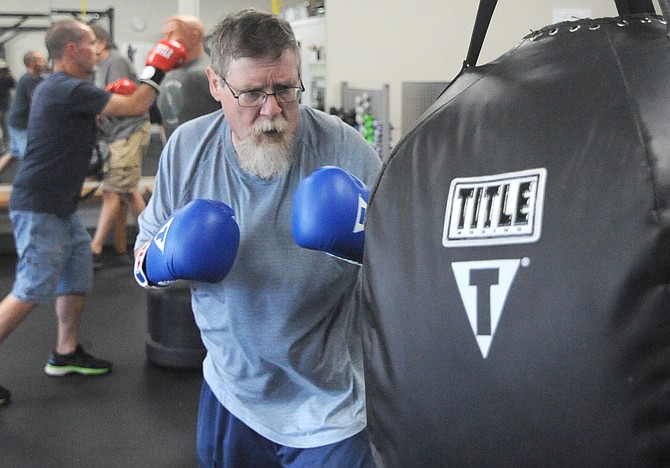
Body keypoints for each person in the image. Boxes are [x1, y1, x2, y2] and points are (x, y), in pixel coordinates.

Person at [133, 8, 382, 467]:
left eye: (286, 89)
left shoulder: (346, 151)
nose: (272, 111)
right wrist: (167, 259)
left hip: (330, 407)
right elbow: (143, 259)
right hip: (232, 393)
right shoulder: (187, 149)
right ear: (215, 85)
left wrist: (372, 245)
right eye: (250, 93)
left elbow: (407, 270)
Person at [0, 19, 185, 406]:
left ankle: (65, 353)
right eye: (89, 43)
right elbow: (138, 105)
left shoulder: (68, 90)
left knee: (77, 270)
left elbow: (105, 115)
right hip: (40, 206)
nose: (98, 49)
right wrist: (156, 68)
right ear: (70, 50)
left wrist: (108, 97)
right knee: (32, 287)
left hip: (58, 206)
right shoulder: (65, 87)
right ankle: (63, 352)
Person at [89, 24, 151, 268]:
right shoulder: (102, 66)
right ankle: (151, 239)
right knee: (128, 191)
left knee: (111, 189)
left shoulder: (115, 62)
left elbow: (122, 102)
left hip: (129, 131)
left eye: (89, 42)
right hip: (118, 133)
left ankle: (94, 249)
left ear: (101, 43)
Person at [156, 14, 219, 140]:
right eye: (165, 35)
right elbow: (164, 119)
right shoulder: (166, 71)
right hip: (176, 152)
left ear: (194, 36)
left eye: (171, 34)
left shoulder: (211, 71)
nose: (166, 40)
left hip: (206, 151)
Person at [1, 51, 47, 173]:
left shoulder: (38, 80)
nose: (44, 63)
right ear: (32, 63)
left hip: (17, 122)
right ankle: (27, 185)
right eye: (41, 60)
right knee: (29, 157)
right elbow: (37, 102)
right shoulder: (28, 79)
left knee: (13, 153)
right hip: (20, 125)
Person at [0, 59, 15, 156]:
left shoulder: (5, 78)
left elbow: (14, 85)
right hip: (5, 107)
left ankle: (8, 150)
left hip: (5, 107)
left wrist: (9, 76)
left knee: (7, 129)